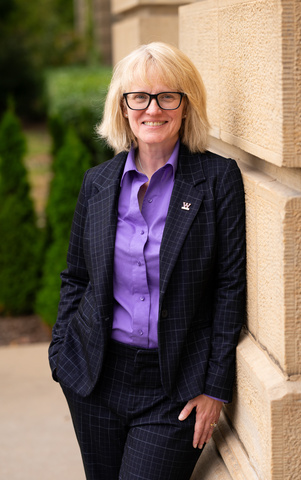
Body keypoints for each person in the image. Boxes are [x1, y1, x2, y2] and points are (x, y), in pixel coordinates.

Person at [49, 41, 246, 480]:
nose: (152, 109)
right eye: (138, 96)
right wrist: (62, 355)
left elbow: (229, 287)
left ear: (186, 104)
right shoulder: (98, 183)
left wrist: (215, 387)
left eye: (167, 96)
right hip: (95, 378)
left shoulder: (217, 180)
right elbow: (76, 277)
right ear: (122, 107)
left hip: (173, 387)